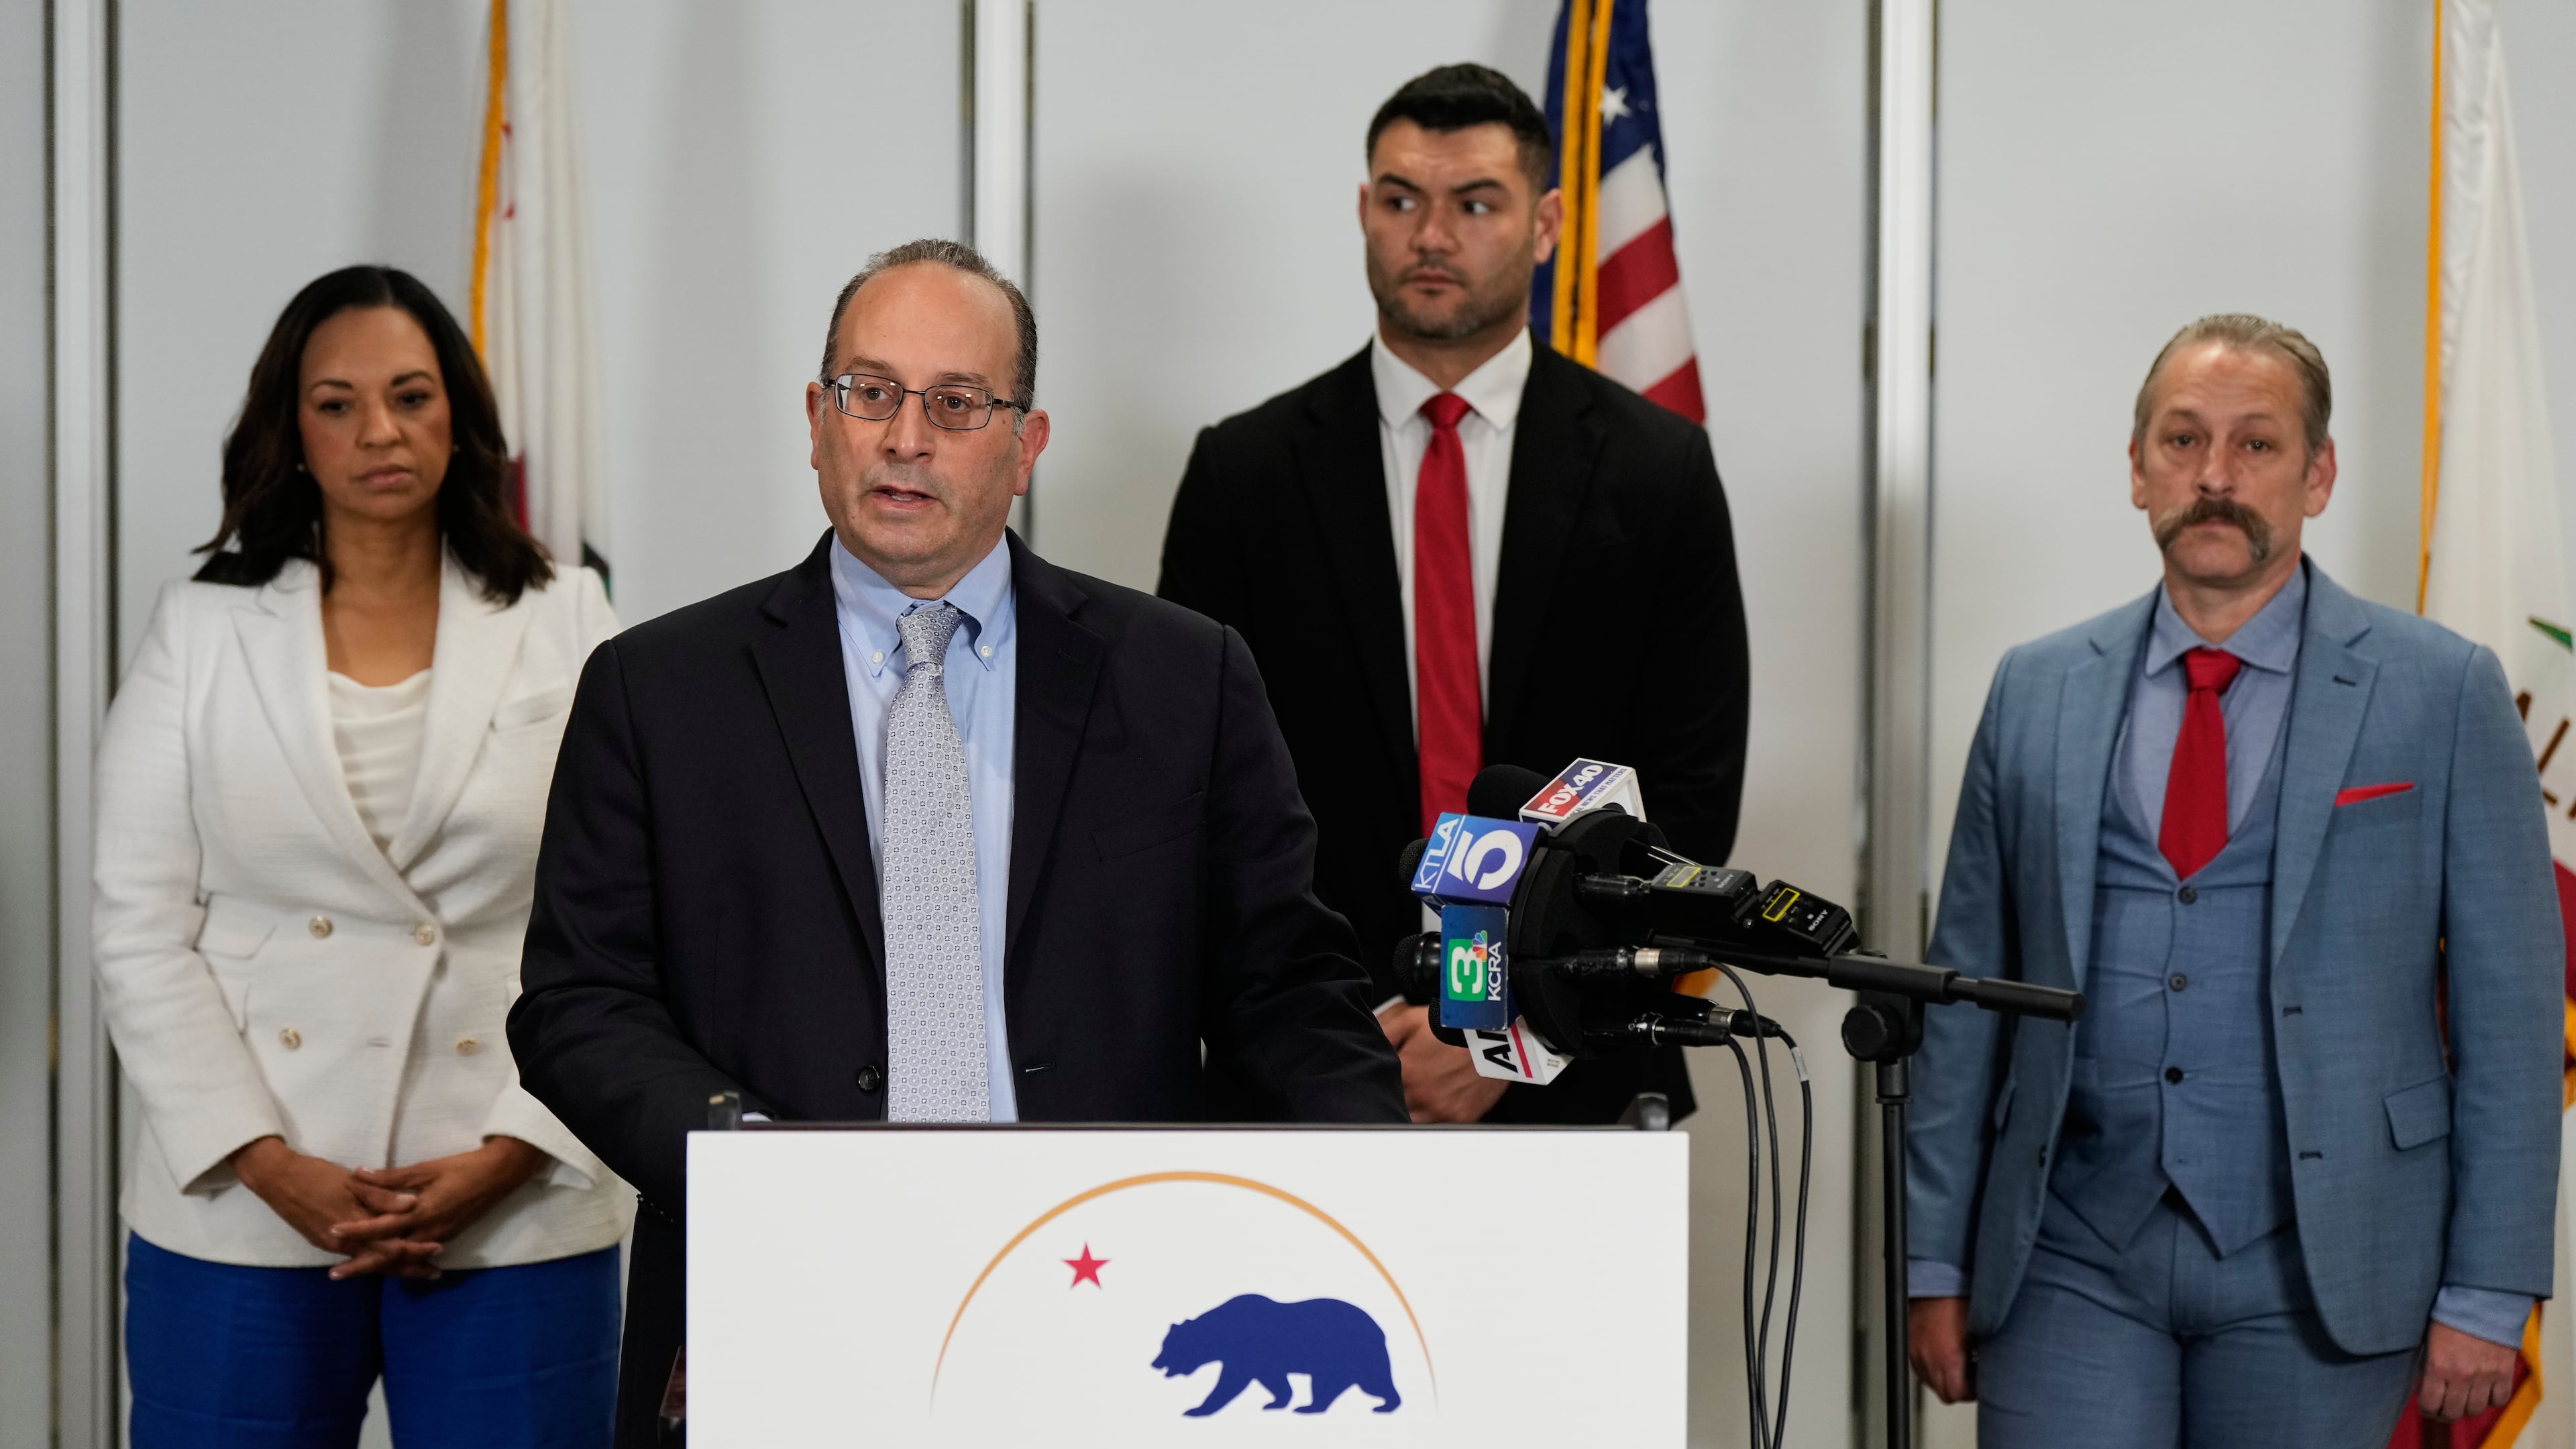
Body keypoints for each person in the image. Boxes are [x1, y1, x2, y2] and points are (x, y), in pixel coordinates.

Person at [506, 237, 1409, 1446]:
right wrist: (755, 1167)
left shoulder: (1184, 678)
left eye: (957, 403)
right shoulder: (658, 690)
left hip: (1107, 1296)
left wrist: (1388, 1197)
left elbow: (1286, 983)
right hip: (782, 1291)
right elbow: (579, 1001)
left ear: (1027, 446)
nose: (904, 438)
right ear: (817, 420)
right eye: (870, 392)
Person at [1906, 314, 2561, 1446]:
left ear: (2319, 475)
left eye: (2256, 444)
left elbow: (2512, 1016)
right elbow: (1965, 1000)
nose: (2215, 476)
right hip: (2067, 1252)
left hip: (2328, 1259)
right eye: (2183, 440)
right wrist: (1935, 1261)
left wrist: (2489, 1288)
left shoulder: (2443, 690)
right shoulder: (2035, 688)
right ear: (2137, 469)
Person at [93, 265, 627, 1448]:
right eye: (337, 403)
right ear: (291, 430)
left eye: (411, 396)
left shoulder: (567, 613)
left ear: (459, 416)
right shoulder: (201, 626)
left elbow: (632, 915)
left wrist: (515, 1151)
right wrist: (264, 1159)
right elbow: (140, 924)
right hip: (245, 1200)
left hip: (514, 1192)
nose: (379, 430)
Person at [1158, 64, 1748, 1126]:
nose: (1431, 235)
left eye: (1475, 204)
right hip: (1311, 1068)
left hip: (1578, 1063)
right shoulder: (1243, 475)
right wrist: (1341, 1033)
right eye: (1401, 200)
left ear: (1547, 224)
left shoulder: (1658, 471)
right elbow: (1194, 794)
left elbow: (1687, 799)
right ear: (1364, 210)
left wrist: (1502, 1023)